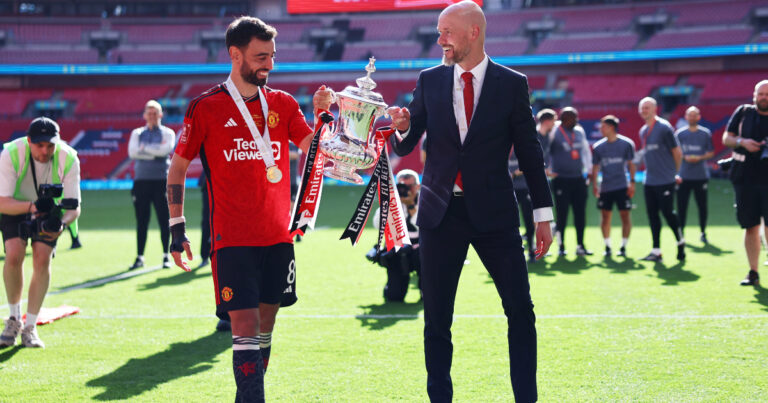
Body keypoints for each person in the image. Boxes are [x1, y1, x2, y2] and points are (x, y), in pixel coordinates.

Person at [387, 2, 554, 401]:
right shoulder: (429, 80)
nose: (439, 39)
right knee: (437, 319)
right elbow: (407, 141)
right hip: (439, 214)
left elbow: (530, 153)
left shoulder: (512, 83)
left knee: (520, 312)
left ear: (473, 33)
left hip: (495, 215)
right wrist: (401, 128)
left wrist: (542, 215)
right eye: (439, 31)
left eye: (447, 31)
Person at [166, 16, 330, 401]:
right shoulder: (204, 107)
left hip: (278, 235)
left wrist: (325, 119)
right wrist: (177, 227)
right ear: (235, 54)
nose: (268, 65)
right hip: (232, 238)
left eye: (272, 56)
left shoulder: (284, 104)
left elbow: (315, 152)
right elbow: (177, 166)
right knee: (244, 324)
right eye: (260, 57)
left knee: (265, 326)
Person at [0, 117, 81, 348]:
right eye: (39, 145)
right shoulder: (11, 153)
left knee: (42, 258)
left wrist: (62, 225)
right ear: (29, 141)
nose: (45, 151)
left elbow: (74, 207)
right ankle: (14, 319)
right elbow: (1, 202)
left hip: (49, 209)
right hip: (15, 205)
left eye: (50, 145)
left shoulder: (69, 158)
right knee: (14, 254)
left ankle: (30, 327)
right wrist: (32, 207)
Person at [722, 80, 768, 286]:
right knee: (750, 226)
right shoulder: (743, 113)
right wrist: (743, 142)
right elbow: (727, 138)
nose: (764, 98)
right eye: (761, 94)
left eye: (767, 94)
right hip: (745, 179)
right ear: (754, 95)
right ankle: (753, 272)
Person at [128, 100, 176, 270]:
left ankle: (166, 256)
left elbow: (165, 151)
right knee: (142, 220)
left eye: (155, 113)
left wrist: (144, 149)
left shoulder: (168, 133)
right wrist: (154, 151)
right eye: (149, 113)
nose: (152, 116)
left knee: (164, 219)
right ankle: (140, 257)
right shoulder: (137, 133)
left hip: (162, 182)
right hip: (141, 182)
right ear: (144, 115)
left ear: (161, 115)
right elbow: (133, 152)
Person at [637, 97, 685, 262]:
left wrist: (676, 173)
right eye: (642, 108)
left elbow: (677, 153)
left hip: (665, 180)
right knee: (652, 215)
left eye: (647, 107)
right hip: (649, 180)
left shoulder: (664, 128)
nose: (644, 110)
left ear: (655, 109)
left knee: (668, 213)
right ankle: (656, 250)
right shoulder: (643, 131)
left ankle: (680, 242)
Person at [366, 169, 422, 301]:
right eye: (401, 186)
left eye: (409, 186)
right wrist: (388, 204)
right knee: (393, 296)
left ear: (417, 186)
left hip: (420, 250)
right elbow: (377, 225)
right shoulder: (392, 201)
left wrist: (411, 206)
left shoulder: (425, 200)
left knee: (429, 294)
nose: (405, 190)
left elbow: (424, 226)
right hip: (397, 249)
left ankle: (425, 290)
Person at [547, 107, 593, 256]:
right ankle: (561, 246)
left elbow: (585, 152)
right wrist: (547, 168)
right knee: (562, 215)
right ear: (563, 118)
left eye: (576, 117)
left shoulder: (579, 132)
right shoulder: (554, 132)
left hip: (578, 179)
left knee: (580, 214)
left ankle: (580, 245)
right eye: (572, 118)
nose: (575, 121)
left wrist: (589, 171)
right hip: (561, 179)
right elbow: (546, 151)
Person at [590, 115, 636, 257]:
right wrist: (595, 184)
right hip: (606, 188)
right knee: (605, 217)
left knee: (625, 216)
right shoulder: (598, 147)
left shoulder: (627, 144)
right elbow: (595, 168)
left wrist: (632, 182)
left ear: (611, 127)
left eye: (603, 126)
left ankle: (623, 246)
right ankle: (608, 246)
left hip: (622, 186)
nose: (601, 129)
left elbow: (631, 164)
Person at [675, 106, 714, 243]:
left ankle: (703, 232)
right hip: (683, 176)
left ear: (699, 117)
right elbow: (675, 153)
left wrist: (700, 157)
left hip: (700, 176)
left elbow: (711, 152)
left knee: (702, 206)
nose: (692, 117)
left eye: (694, 115)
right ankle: (681, 233)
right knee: (681, 206)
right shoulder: (679, 134)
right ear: (686, 117)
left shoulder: (705, 133)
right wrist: (684, 157)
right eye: (689, 115)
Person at [509, 147, 536, 262]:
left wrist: (514, 174)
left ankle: (531, 250)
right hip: (508, 189)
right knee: (509, 223)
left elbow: (529, 163)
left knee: (528, 221)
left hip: (524, 188)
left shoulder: (521, 144)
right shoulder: (500, 142)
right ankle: (510, 252)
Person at [536, 108, 557, 174]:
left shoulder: (549, 136)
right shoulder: (534, 137)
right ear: (547, 121)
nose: (554, 124)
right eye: (553, 121)